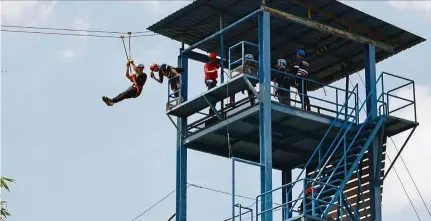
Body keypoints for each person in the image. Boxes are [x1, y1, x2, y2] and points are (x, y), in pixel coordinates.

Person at [204, 52, 220, 116]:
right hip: (208, 80)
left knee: (215, 95)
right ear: (209, 59)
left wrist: (219, 65)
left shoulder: (215, 65)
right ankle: (208, 92)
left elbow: (219, 66)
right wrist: (213, 71)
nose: (212, 60)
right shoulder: (206, 65)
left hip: (214, 81)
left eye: (213, 59)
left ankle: (211, 110)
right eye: (211, 59)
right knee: (211, 82)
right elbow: (206, 71)